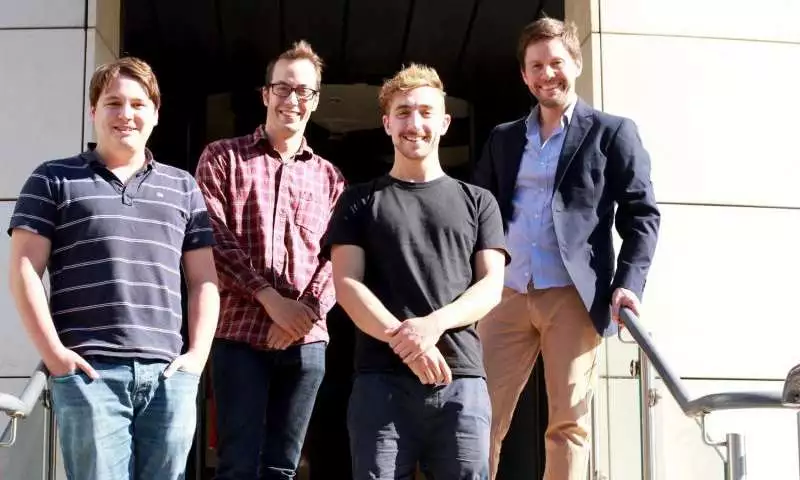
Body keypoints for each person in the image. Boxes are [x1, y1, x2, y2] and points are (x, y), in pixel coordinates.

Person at [7, 57, 220, 480]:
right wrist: (57, 358)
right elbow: (23, 271)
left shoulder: (183, 187)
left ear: (156, 114)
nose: (126, 114)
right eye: (113, 103)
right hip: (90, 376)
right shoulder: (52, 179)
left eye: (139, 104)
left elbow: (204, 281)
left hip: (167, 377)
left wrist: (196, 359)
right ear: (93, 112)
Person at [472, 17, 661, 480]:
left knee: (569, 425)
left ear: (575, 64)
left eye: (556, 62)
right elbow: (479, 212)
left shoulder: (612, 132)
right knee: (476, 418)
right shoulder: (504, 137)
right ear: (524, 75)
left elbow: (642, 215)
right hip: (507, 292)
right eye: (536, 65)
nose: (546, 73)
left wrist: (627, 284)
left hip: (573, 296)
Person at [324, 64, 509, 479]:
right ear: (387, 123)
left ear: (444, 123)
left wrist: (432, 328)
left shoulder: (479, 202)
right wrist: (408, 343)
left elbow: (491, 286)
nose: (415, 123)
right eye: (403, 112)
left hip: (461, 383)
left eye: (426, 112)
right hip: (381, 384)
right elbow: (346, 284)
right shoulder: (358, 201)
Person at [195, 40, 345, 479]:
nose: (292, 100)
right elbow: (213, 238)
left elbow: (337, 258)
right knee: (236, 465)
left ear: (315, 101)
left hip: (306, 341)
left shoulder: (330, 177)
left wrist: (304, 313)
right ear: (265, 94)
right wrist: (269, 300)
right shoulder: (222, 158)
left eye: (304, 91)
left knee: (285, 467)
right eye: (283, 88)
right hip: (239, 334)